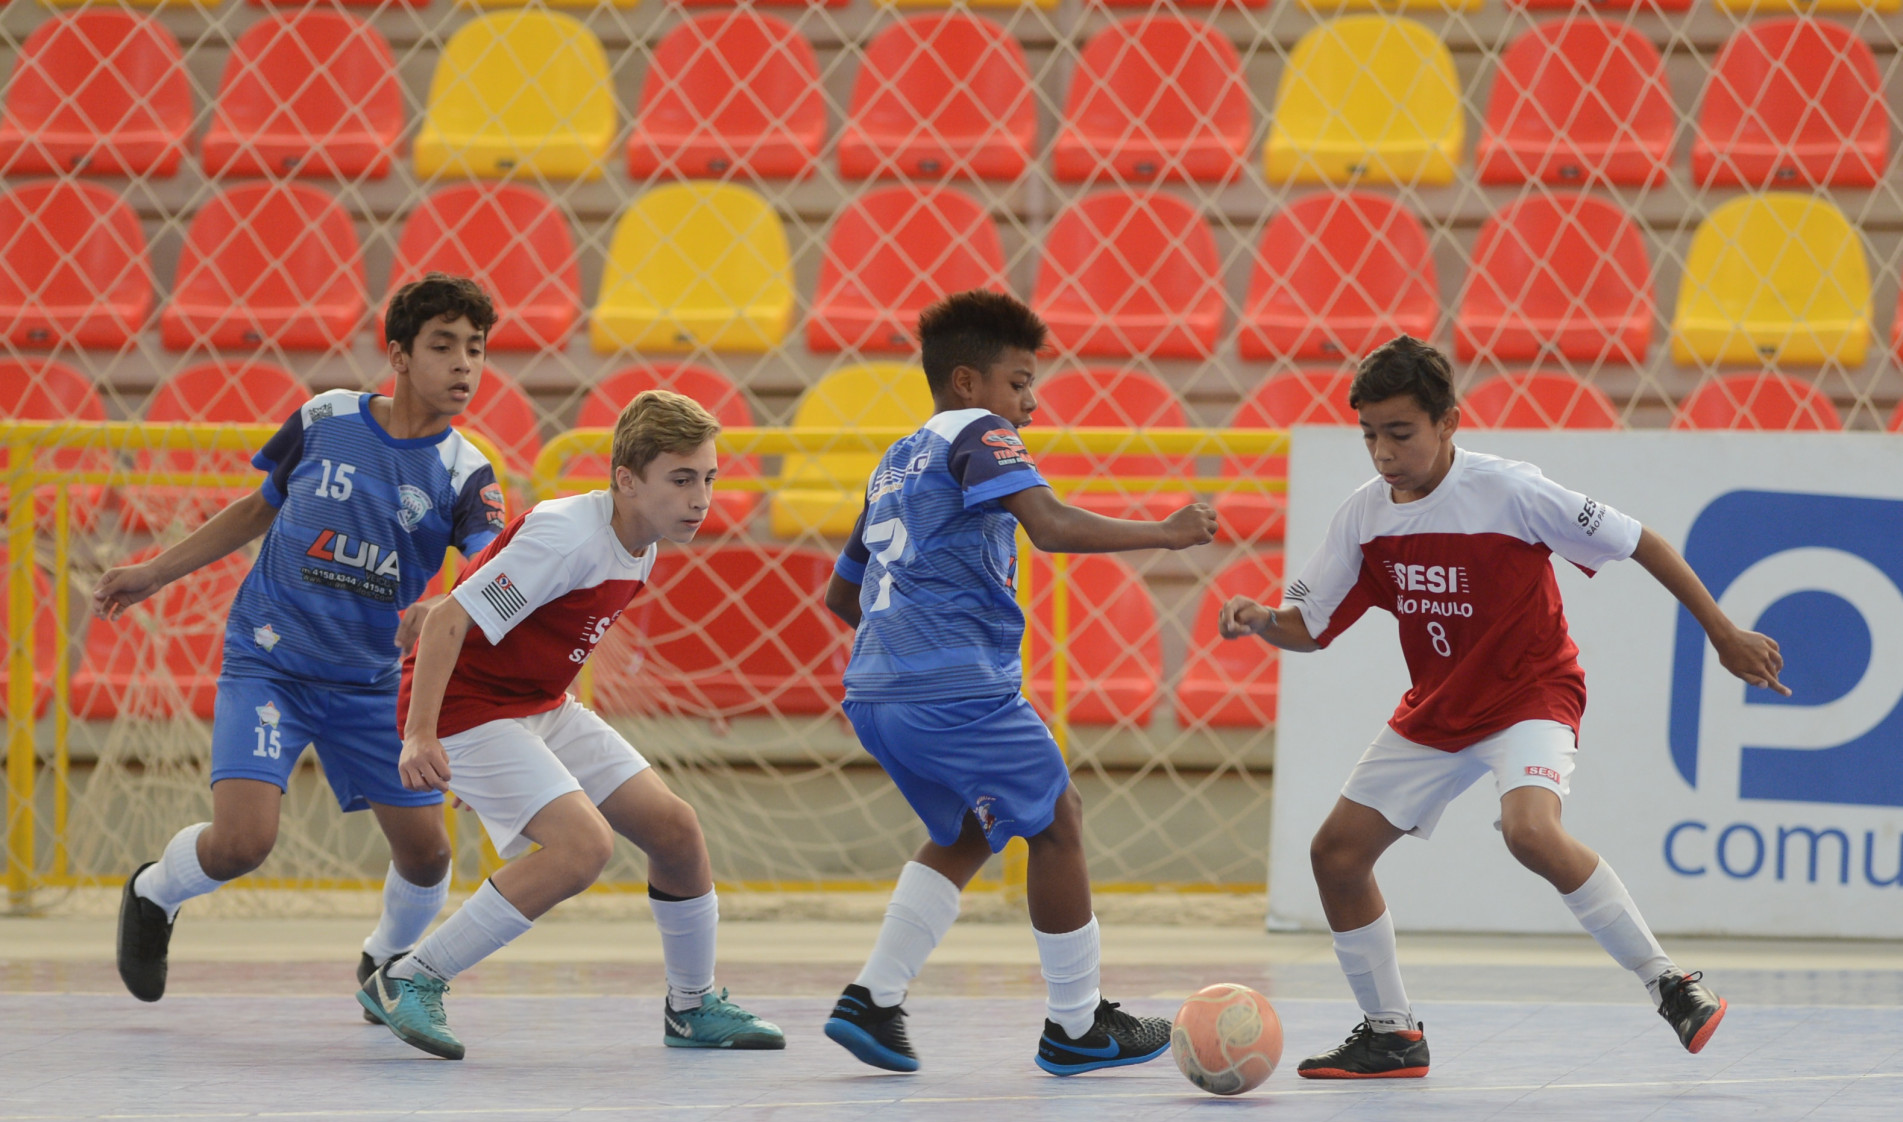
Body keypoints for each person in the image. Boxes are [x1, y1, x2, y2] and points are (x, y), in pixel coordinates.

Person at [1219, 335, 1785, 1078]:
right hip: (1438, 707)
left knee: (1529, 831)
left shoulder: (1511, 492)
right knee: (1337, 855)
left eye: (1400, 433)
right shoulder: (1364, 516)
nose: (1383, 453)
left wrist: (1722, 632)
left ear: (1447, 421)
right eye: (1369, 435)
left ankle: (1670, 984)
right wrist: (1263, 619)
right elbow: (1309, 627)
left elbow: (1638, 540)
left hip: (1529, 693)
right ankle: (1392, 1034)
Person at [819, 289, 1219, 1075]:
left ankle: (872, 997)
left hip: (874, 689)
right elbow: (1051, 526)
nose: (1029, 403)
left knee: (970, 829)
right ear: (967, 382)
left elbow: (842, 594)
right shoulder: (980, 432)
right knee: (1059, 818)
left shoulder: (894, 459)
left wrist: (904, 646)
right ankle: (1076, 1024)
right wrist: (1165, 533)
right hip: (954, 687)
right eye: (1019, 382)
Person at [99, 274, 508, 1008]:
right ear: (399, 354)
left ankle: (384, 959)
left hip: (374, 683)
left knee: (427, 854)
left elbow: (490, 578)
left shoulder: (467, 473)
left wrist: (446, 601)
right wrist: (155, 571)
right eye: (443, 345)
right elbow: (257, 509)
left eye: (475, 349)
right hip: (271, 664)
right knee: (242, 844)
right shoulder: (326, 418)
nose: (463, 364)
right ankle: (155, 890)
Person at [364, 390, 782, 1061]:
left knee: (675, 830)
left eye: (708, 478)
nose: (701, 498)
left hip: (536, 703)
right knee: (582, 846)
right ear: (626, 480)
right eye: (681, 480)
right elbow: (446, 622)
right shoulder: (568, 537)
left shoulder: (641, 541)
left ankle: (691, 1005)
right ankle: (410, 976)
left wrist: (508, 766)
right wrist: (422, 735)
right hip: (466, 705)